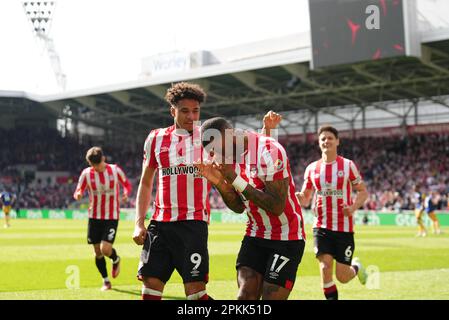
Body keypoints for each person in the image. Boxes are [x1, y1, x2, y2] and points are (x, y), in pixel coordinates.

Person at [132, 81, 281, 300]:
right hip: (160, 225)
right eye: (184, 111)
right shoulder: (155, 139)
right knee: (150, 290)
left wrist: (268, 130)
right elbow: (146, 182)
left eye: (195, 111)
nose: (191, 117)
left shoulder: (209, 136)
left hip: (193, 224)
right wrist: (138, 222)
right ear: (172, 110)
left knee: (195, 295)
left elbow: (252, 148)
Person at [197, 117, 306, 300]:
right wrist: (220, 184)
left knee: (271, 297)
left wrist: (234, 179)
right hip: (255, 234)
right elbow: (239, 207)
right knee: (245, 296)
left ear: (231, 134)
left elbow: (277, 206)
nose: (220, 155)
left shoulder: (269, 151)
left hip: (287, 236)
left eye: (221, 148)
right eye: (214, 151)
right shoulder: (224, 158)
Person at [295, 125, 369, 300]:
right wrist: (299, 197)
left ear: (337, 141)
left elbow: (363, 192)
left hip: (344, 228)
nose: (326, 141)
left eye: (329, 138)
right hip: (321, 226)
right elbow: (306, 198)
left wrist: (351, 208)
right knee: (325, 267)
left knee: (342, 277)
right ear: (319, 143)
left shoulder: (348, 165)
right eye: (323, 139)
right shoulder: (312, 168)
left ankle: (356, 267)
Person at [73, 146, 132, 291]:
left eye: (98, 165)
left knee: (105, 249)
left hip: (111, 215)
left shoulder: (115, 170)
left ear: (103, 160)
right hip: (94, 217)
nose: (96, 168)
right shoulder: (86, 174)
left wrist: (125, 193)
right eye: (93, 166)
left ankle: (115, 259)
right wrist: (79, 194)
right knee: (97, 252)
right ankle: (106, 281)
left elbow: (127, 185)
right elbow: (78, 190)